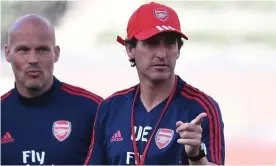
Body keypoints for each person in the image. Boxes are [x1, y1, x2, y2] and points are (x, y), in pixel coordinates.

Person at [85, 2, 225, 166]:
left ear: (178, 50)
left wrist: (196, 156)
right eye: (151, 43)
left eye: (170, 43)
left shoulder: (201, 108)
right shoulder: (111, 107)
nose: (162, 53)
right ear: (130, 49)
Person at [1, 14, 103, 165]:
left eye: (42, 50)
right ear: (8, 53)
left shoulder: (94, 109)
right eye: (23, 50)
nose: (33, 59)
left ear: (56, 53)